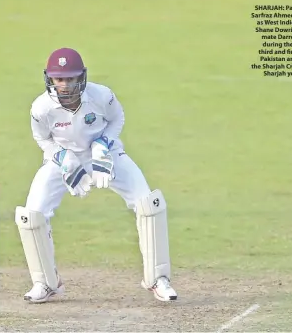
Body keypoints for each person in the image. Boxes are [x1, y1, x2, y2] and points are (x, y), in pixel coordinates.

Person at [13, 47, 178, 303]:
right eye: (59, 79)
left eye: (70, 78)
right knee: (31, 215)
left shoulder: (102, 96)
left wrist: (104, 143)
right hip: (62, 160)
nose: (65, 85)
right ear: (50, 79)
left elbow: (117, 119)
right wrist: (62, 158)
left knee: (148, 203)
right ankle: (45, 282)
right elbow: (41, 138)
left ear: (82, 77)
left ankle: (157, 279)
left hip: (106, 155)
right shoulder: (41, 108)